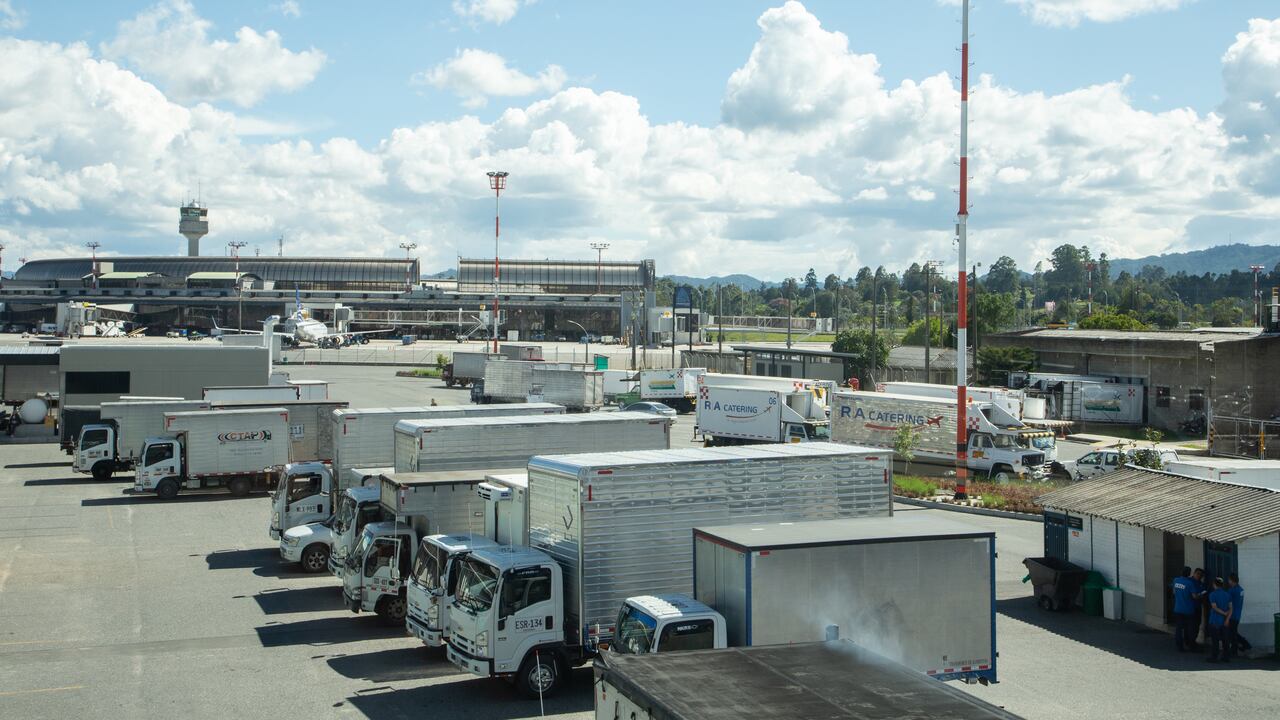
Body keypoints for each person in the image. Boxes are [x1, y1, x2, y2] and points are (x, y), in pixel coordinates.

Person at [1206, 577, 1233, 663]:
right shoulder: (1227, 594)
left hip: (1214, 620)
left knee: (1215, 640)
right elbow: (1231, 608)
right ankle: (1226, 656)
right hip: (1224, 621)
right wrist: (1227, 618)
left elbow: (1214, 607)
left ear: (1214, 584)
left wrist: (1223, 613)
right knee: (1225, 640)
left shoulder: (1212, 594)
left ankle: (1214, 657)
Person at [1170, 567, 1196, 652]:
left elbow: (1174, 592)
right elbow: (1194, 596)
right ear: (1189, 574)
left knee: (1179, 629)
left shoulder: (1176, 580)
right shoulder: (1190, 583)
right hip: (1188, 610)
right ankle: (1190, 645)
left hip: (1178, 608)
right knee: (1190, 629)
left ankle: (1179, 646)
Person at [1227, 573, 1246, 658]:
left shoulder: (1231, 591)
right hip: (1238, 614)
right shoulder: (1241, 590)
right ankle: (1245, 644)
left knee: (1232, 633)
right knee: (1234, 631)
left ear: (1231, 580)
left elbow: (1227, 602)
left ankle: (1234, 649)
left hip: (1232, 615)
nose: (1228, 581)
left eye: (1229, 580)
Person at [1188, 568, 1207, 650]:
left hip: (1197, 607)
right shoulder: (1190, 582)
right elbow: (1194, 596)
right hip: (1191, 607)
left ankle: (1193, 642)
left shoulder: (1200, 583)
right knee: (1192, 626)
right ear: (1194, 573)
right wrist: (1199, 596)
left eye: (1201, 575)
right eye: (1198, 574)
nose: (1199, 576)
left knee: (1196, 625)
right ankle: (1191, 643)